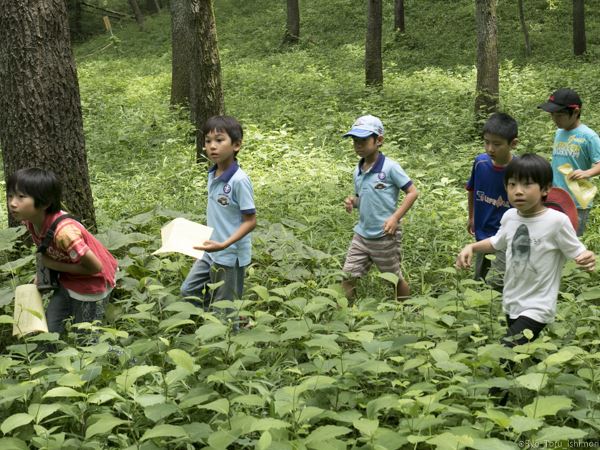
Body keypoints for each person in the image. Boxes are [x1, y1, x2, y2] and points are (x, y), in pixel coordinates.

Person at [456, 154, 595, 348]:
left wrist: (586, 258)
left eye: (527, 185)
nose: (518, 191)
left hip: (539, 305)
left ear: (546, 189)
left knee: (506, 352)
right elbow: (497, 242)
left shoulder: (556, 221)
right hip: (512, 300)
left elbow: (578, 252)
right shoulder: (510, 216)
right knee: (522, 352)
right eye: (512, 185)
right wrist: (471, 246)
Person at [7, 168, 118, 334]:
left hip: (92, 285)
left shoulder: (65, 233)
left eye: (21, 197)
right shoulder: (31, 221)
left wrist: (54, 265)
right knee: (50, 329)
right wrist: (42, 276)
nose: (13, 203)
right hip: (68, 280)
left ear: (45, 203)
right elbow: (45, 249)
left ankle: (123, 357)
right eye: (10, 196)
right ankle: (47, 357)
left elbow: (95, 267)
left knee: (87, 336)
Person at [180, 116, 256, 313]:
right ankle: (216, 319)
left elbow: (250, 221)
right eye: (208, 141)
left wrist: (224, 244)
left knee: (224, 309)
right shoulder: (212, 174)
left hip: (229, 255)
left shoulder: (239, 181)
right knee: (188, 290)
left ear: (236, 145)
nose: (212, 146)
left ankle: (229, 328)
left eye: (220, 140)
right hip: (210, 250)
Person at [341, 114, 419, 301]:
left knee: (393, 279)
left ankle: (406, 310)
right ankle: (348, 314)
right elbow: (363, 198)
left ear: (379, 140)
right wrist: (354, 201)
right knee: (347, 277)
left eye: (363, 140)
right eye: (354, 141)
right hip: (361, 235)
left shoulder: (390, 168)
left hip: (384, 236)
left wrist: (395, 218)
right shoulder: (357, 170)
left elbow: (412, 192)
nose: (358, 145)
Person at [466, 112, 518, 288]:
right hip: (483, 231)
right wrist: (471, 216)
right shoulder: (480, 163)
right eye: (487, 142)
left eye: (497, 144)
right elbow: (472, 190)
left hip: (507, 235)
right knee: (479, 277)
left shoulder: (519, 170)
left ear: (513, 144)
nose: (490, 149)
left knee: (496, 283)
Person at [538, 88, 600, 236]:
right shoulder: (559, 132)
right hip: (555, 197)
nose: (555, 119)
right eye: (552, 115)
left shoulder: (589, 136)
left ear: (576, 112)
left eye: (559, 115)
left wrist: (586, 173)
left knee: (571, 243)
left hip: (577, 201)